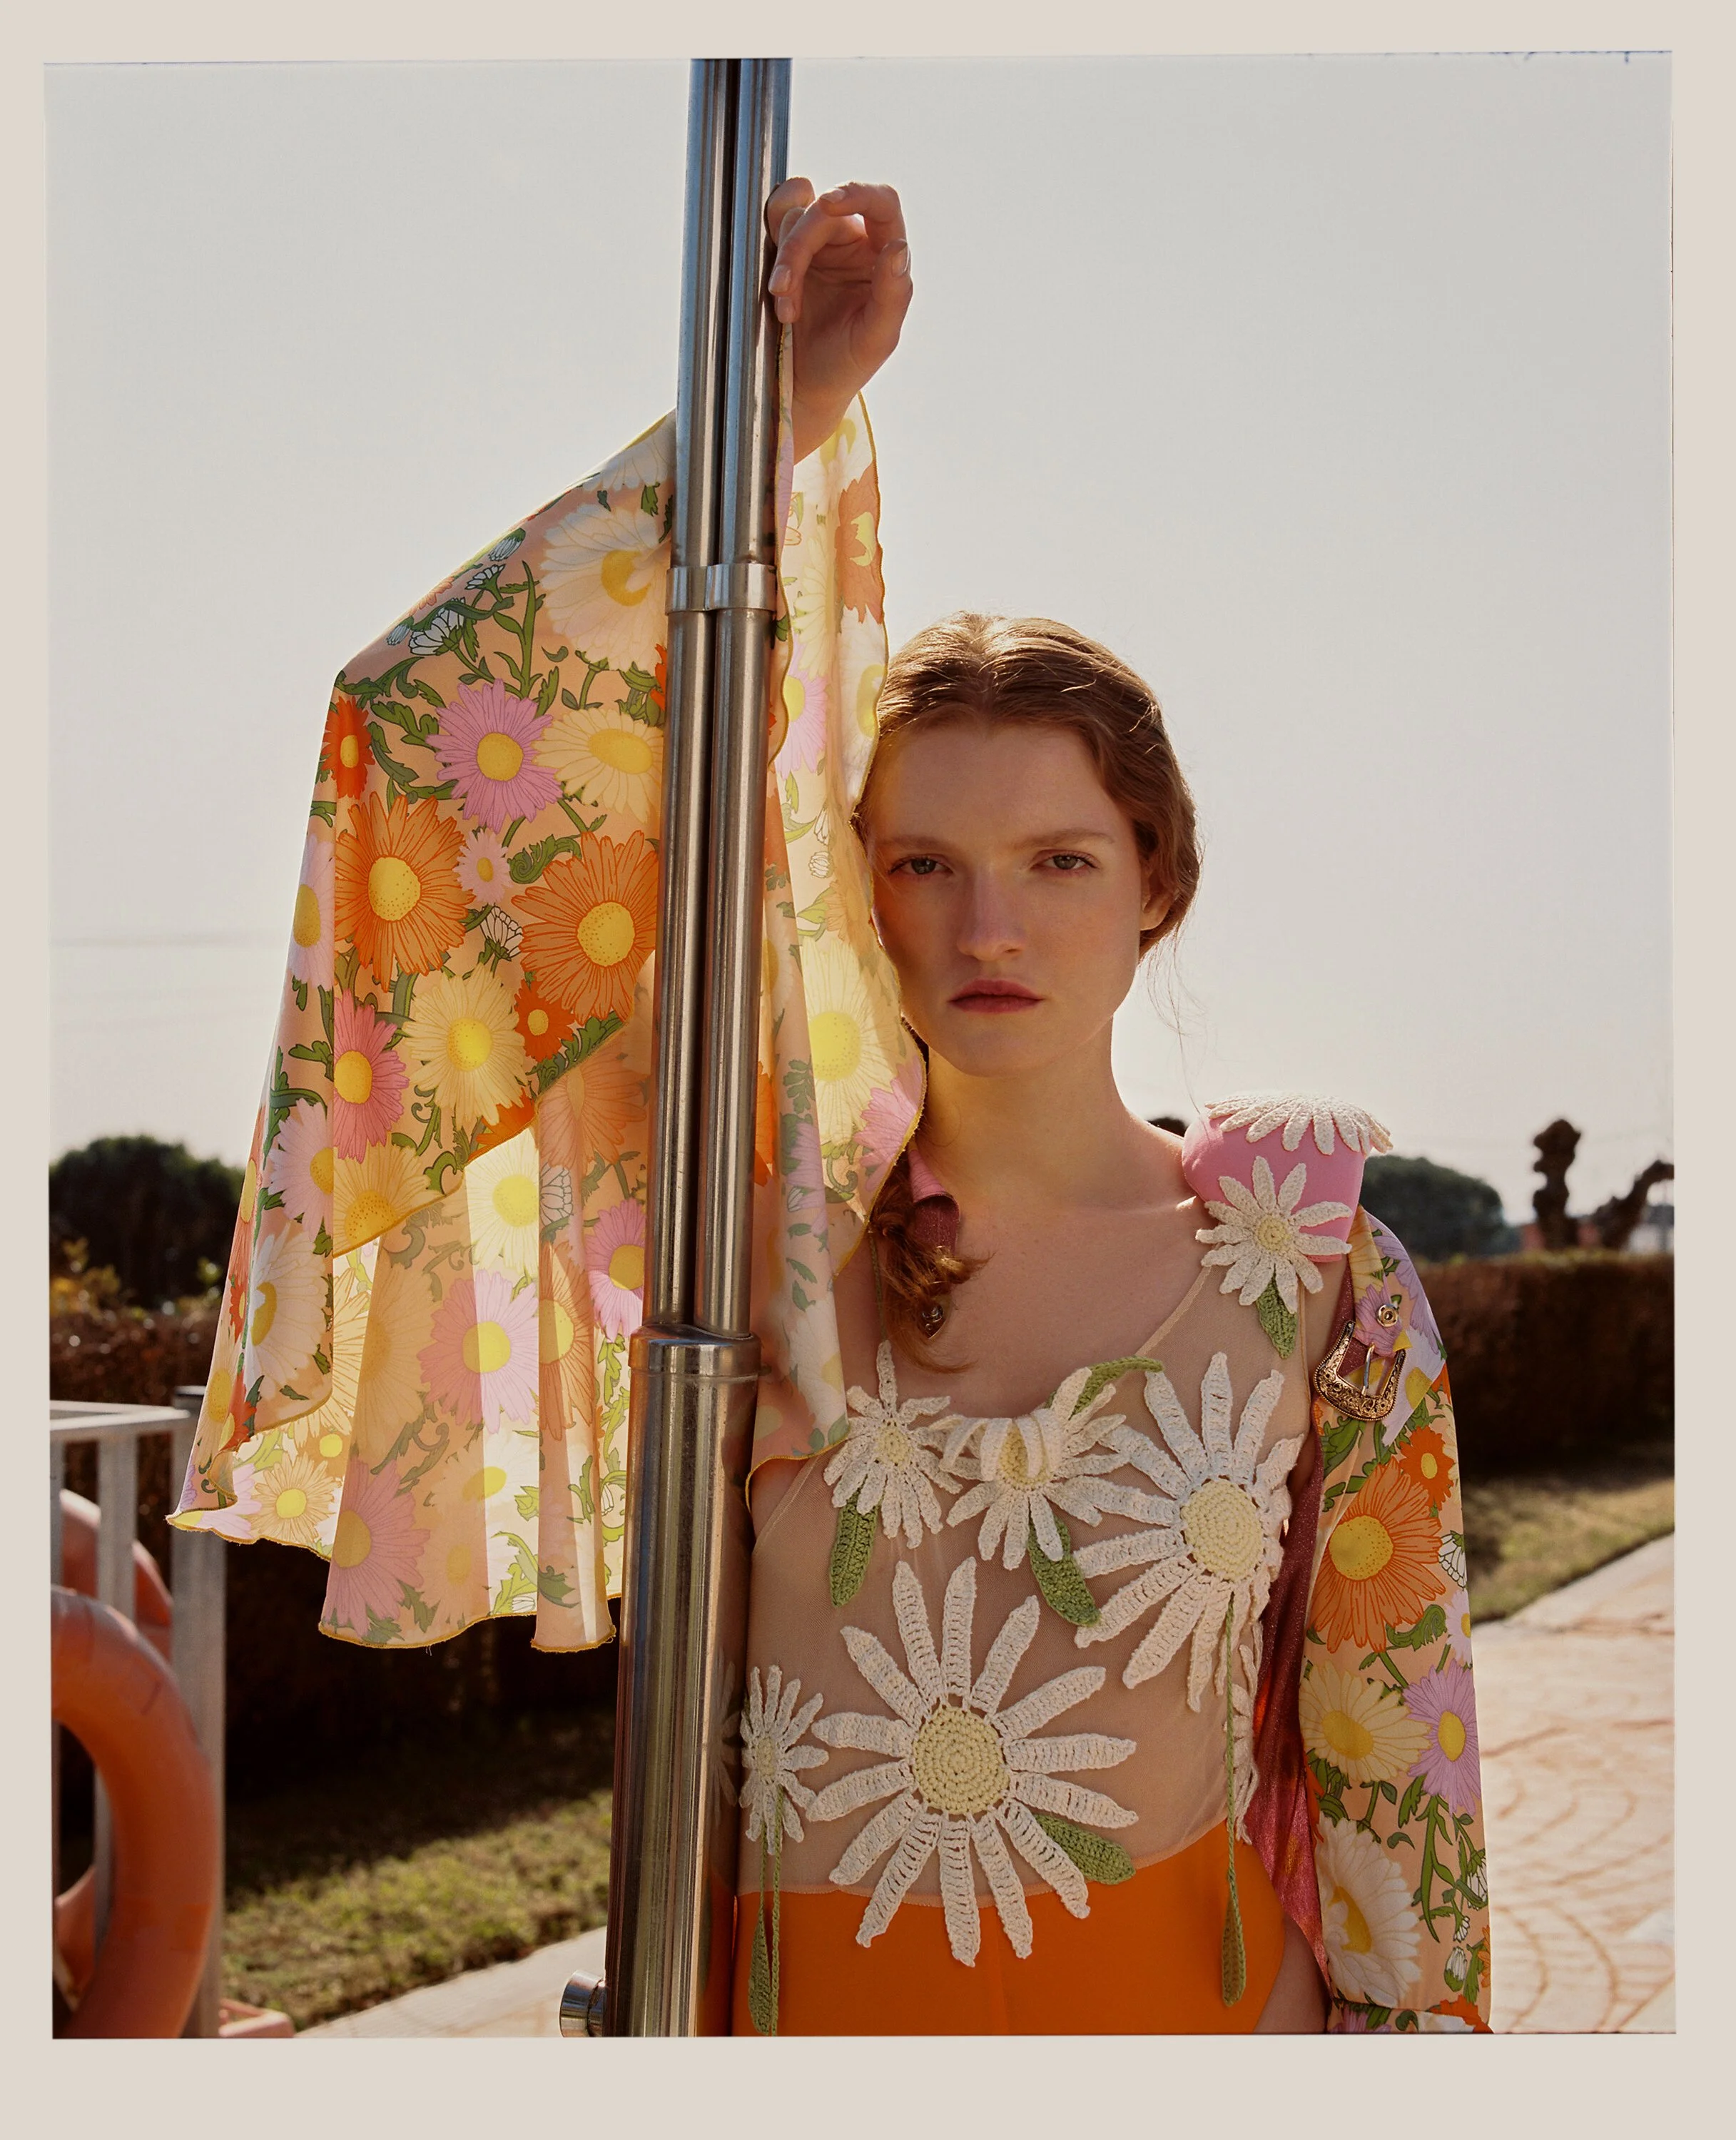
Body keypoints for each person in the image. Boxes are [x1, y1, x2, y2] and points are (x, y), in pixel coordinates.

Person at [727, 178, 1489, 2034]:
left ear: (1159, 881)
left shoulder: (1323, 1278)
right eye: (922, 862)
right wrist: (769, 437)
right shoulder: (751, 1244)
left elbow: (1406, 1800)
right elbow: (516, 814)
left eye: (1059, 859)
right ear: (854, 894)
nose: (991, 925)